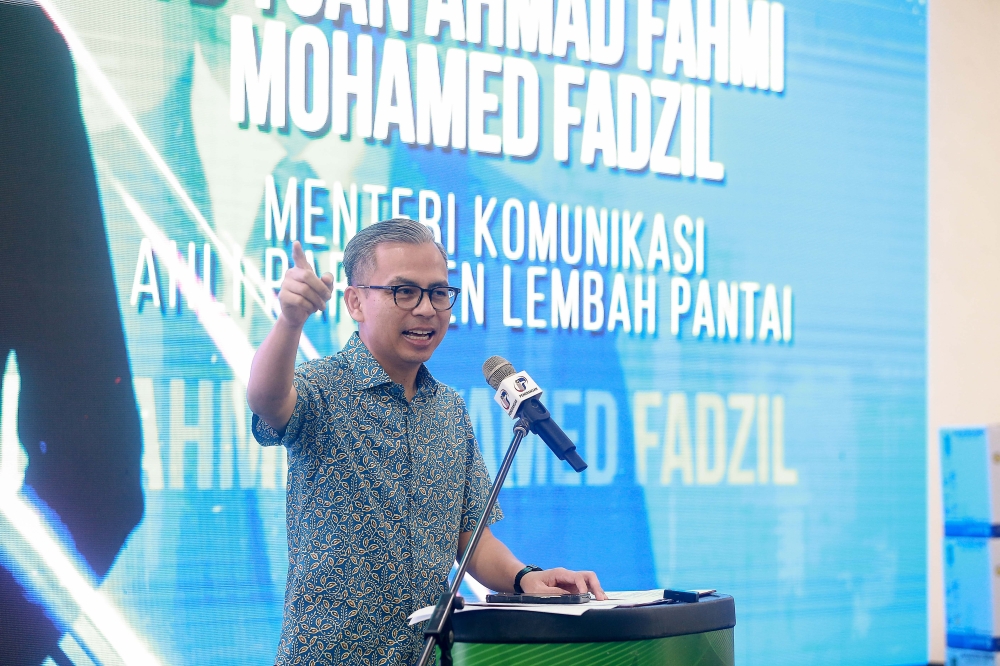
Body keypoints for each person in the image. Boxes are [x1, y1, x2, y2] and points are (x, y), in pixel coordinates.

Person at [247, 219, 606, 665]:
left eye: (439, 292)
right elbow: (266, 399)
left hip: (429, 654)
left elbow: (469, 537)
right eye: (404, 291)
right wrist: (289, 320)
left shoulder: (450, 409)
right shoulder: (321, 388)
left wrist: (524, 578)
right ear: (355, 302)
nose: (426, 309)